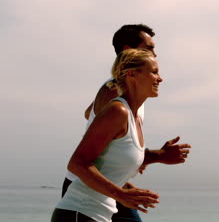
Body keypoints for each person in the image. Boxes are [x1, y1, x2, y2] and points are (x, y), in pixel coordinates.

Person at [61, 24, 191, 222]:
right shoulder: (116, 95)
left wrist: (147, 158)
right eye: (149, 48)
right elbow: (80, 162)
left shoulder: (130, 98)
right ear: (129, 51)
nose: (155, 54)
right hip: (88, 191)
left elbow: (91, 115)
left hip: (108, 191)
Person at [52, 49, 164, 222]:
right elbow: (77, 164)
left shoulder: (135, 119)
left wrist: (129, 190)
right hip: (79, 213)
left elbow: (110, 170)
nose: (160, 78)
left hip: (98, 215)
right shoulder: (117, 111)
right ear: (132, 74)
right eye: (154, 72)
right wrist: (121, 195)